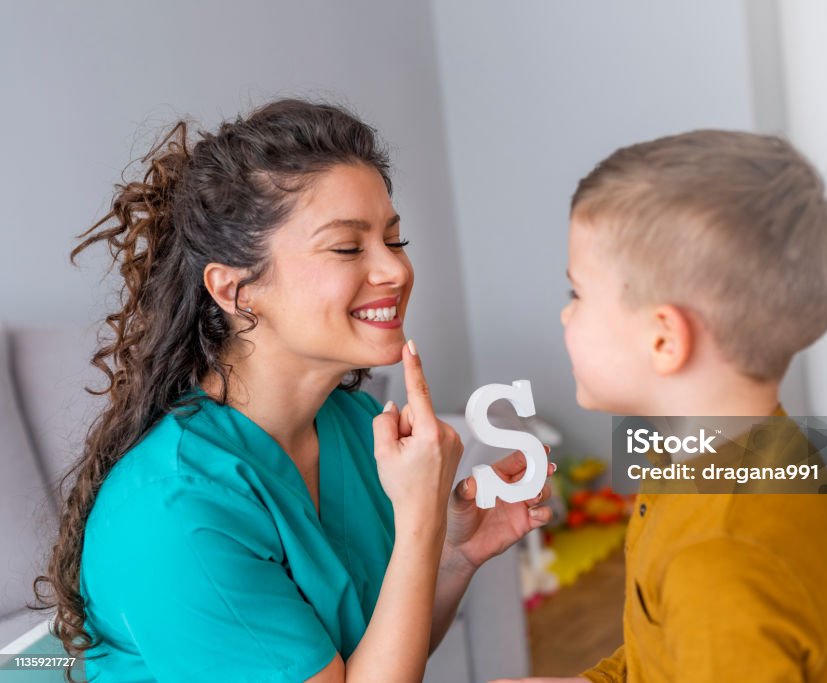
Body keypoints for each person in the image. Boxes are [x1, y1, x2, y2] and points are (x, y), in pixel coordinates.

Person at [31, 98, 554, 683]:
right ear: (235, 290)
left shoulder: (354, 425)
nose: (396, 271)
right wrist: (419, 522)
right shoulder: (178, 509)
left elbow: (376, 660)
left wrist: (454, 555)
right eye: (348, 247)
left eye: (395, 239)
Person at [494, 131, 827, 682]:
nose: (565, 316)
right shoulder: (736, 456)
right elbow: (669, 654)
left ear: (664, 339)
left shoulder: (720, 559)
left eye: (576, 295)